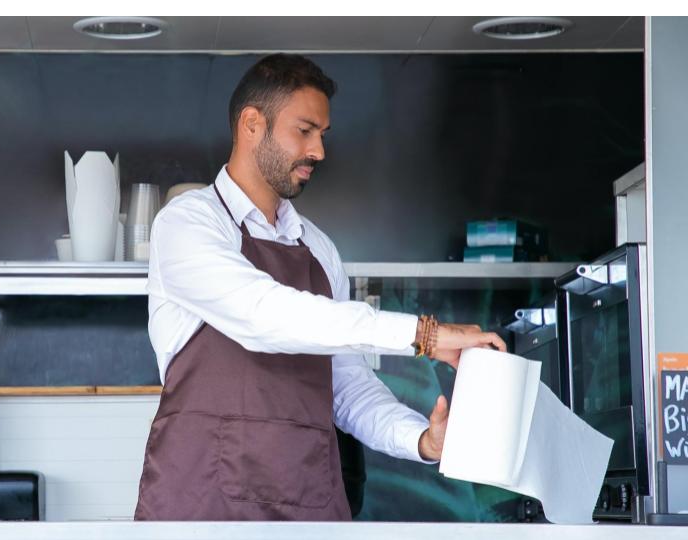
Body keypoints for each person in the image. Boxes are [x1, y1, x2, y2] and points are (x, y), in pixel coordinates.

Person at [134, 53, 506, 521]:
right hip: (200, 510)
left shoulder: (319, 249)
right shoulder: (188, 224)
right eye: (304, 130)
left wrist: (421, 440)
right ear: (252, 124)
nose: (319, 151)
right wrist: (425, 335)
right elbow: (262, 315)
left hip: (307, 507)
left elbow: (347, 388)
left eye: (322, 135)